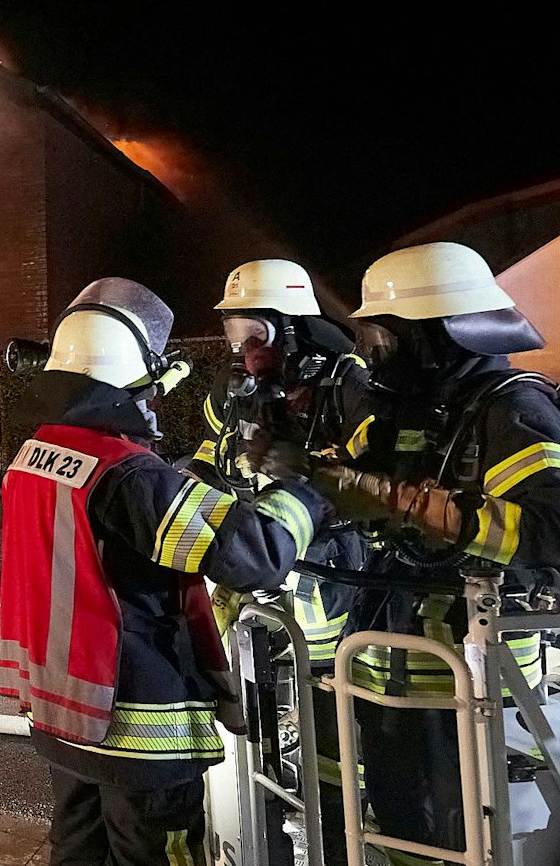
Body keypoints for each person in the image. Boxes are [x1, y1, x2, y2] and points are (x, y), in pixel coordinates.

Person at [0, 278, 330, 866]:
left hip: (65, 713)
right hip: (138, 728)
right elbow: (254, 553)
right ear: (129, 378)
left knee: (78, 850)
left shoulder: (37, 455)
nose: (154, 400)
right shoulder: (125, 474)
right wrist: (313, 489)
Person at [315, 242, 560, 866]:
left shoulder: (512, 408)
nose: (367, 350)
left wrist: (398, 500)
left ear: (435, 336)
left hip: (469, 670)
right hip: (390, 654)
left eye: (382, 335)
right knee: (402, 822)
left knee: (465, 828)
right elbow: (363, 480)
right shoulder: (410, 406)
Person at [184, 259, 372, 866]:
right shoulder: (234, 391)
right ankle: (260, 841)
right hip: (256, 587)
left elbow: (378, 485)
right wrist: (190, 478)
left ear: (291, 328)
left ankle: (341, 845)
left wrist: (301, 465)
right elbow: (216, 454)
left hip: (329, 582)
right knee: (249, 731)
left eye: (255, 336)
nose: (243, 352)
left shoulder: (352, 384)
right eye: (235, 336)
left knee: (332, 732)